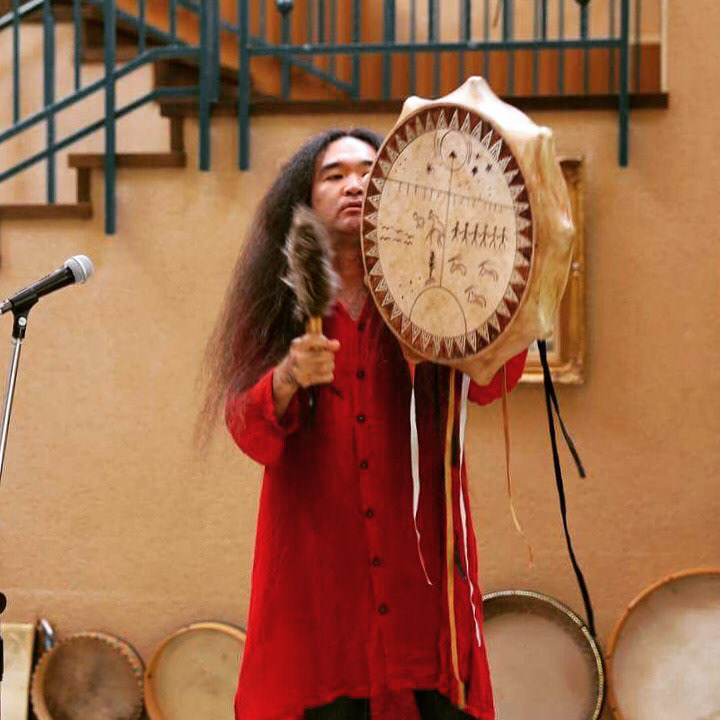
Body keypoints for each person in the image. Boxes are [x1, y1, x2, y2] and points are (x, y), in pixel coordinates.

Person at [202, 128, 527, 720]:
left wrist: (503, 301)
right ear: (305, 197)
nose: (354, 184)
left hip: (422, 578)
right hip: (320, 588)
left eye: (369, 172)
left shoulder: (434, 291)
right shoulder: (277, 305)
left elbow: (491, 382)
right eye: (334, 175)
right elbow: (246, 428)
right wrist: (286, 378)